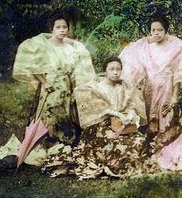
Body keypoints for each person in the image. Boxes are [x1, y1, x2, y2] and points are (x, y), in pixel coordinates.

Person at [42, 57, 149, 178]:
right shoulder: (95, 87)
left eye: (118, 69)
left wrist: (130, 114)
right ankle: (116, 164)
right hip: (100, 125)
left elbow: (131, 105)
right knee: (115, 143)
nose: (115, 72)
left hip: (121, 125)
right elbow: (97, 107)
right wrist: (117, 114)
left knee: (139, 141)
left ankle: (128, 164)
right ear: (106, 71)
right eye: (111, 69)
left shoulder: (125, 86)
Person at [119, 14, 182, 153]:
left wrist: (175, 96)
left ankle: (164, 146)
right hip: (149, 89)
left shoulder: (175, 47)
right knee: (149, 119)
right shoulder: (144, 46)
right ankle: (148, 146)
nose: (157, 33)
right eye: (154, 30)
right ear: (150, 31)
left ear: (166, 31)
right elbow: (134, 64)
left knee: (166, 116)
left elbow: (178, 74)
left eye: (160, 30)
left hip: (166, 89)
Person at [12, 14, 95, 145]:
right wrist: (44, 82)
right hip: (49, 83)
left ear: (68, 29)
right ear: (52, 29)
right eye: (58, 27)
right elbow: (35, 65)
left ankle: (62, 141)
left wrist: (75, 88)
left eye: (64, 27)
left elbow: (74, 71)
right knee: (49, 111)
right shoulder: (45, 46)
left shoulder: (71, 48)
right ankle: (46, 140)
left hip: (65, 85)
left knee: (64, 112)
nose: (62, 30)